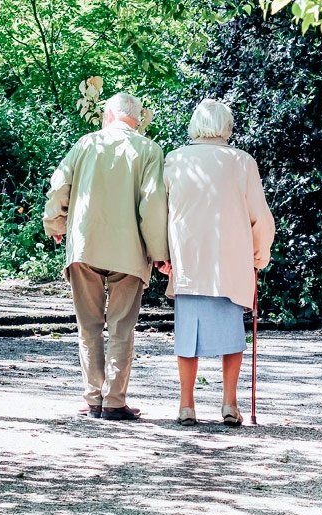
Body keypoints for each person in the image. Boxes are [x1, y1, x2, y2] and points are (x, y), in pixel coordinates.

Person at [43, 92, 171, 421]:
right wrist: (160, 253)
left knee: (88, 326)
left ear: (108, 114)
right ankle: (114, 401)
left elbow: (59, 188)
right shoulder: (149, 150)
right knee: (121, 327)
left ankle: (92, 399)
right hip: (129, 251)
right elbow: (153, 205)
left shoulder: (85, 144)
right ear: (138, 119)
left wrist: (55, 222)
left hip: (85, 246)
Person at [164, 99, 275, 427]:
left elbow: (160, 211)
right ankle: (229, 403)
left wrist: (162, 255)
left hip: (189, 261)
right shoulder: (242, 162)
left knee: (187, 336)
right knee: (231, 334)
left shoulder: (175, 160)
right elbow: (260, 216)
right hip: (230, 261)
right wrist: (260, 254)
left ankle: (186, 405)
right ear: (226, 127)